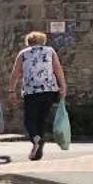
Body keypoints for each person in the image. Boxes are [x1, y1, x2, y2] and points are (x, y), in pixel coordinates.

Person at [7, 29, 66, 161]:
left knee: (30, 118)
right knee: (42, 118)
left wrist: (11, 90)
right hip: (49, 90)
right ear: (43, 41)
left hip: (31, 91)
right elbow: (58, 69)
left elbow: (15, 73)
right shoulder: (50, 51)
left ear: (28, 42)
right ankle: (39, 138)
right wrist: (63, 86)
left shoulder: (23, 53)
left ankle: (35, 138)